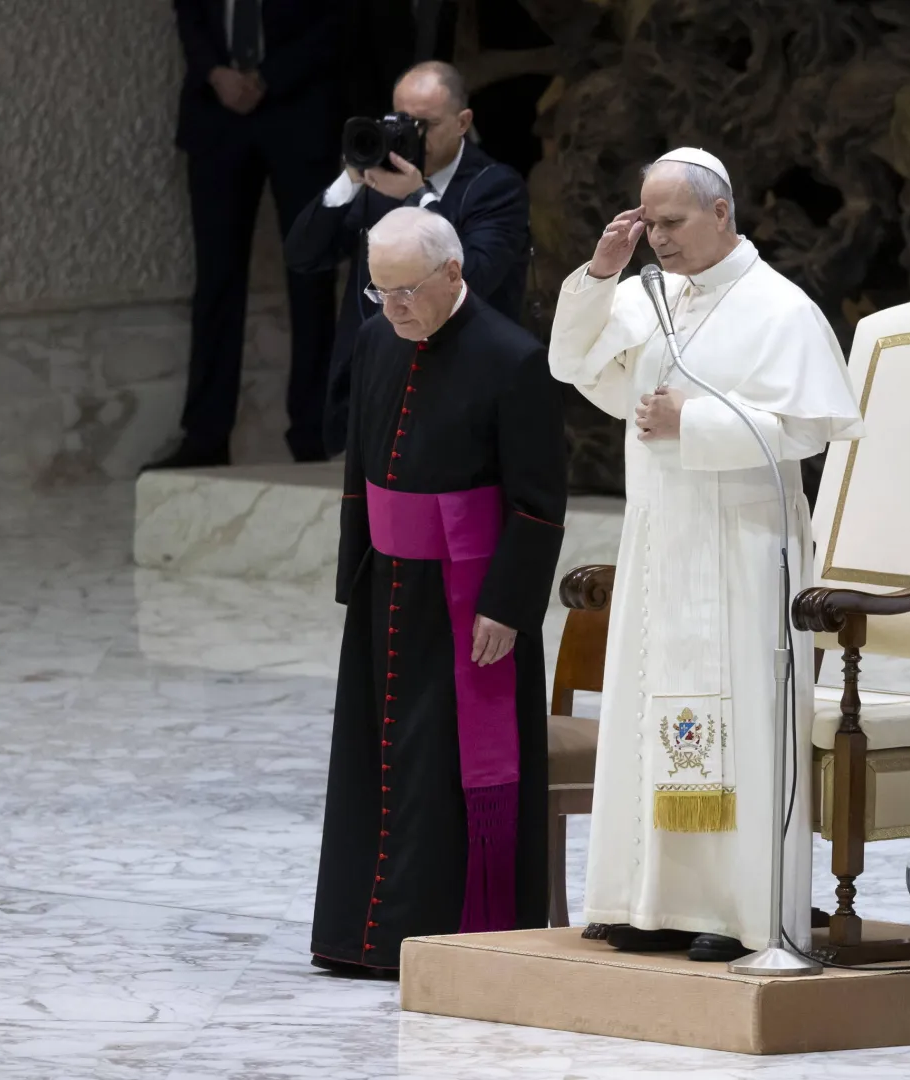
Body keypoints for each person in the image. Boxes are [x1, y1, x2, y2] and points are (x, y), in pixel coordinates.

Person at [549, 148, 864, 963]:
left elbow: (810, 429)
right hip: (661, 540)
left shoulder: (778, 307)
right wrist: (601, 271)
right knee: (645, 711)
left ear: (721, 213)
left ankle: (735, 909)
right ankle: (649, 900)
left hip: (743, 547)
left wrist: (693, 421)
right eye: (648, 223)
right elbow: (571, 363)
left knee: (740, 721)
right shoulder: (650, 295)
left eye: (673, 222)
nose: (658, 238)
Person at [311, 207, 566, 975]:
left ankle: (440, 934)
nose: (392, 308)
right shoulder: (375, 339)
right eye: (378, 291)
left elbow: (537, 502)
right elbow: (359, 466)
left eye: (406, 291)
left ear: (453, 273)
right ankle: (361, 939)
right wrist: (355, 575)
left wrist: (507, 606)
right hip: (386, 587)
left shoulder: (513, 358)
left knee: (442, 772)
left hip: (469, 602)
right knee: (374, 762)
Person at [285, 61, 530, 457]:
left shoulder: (496, 186)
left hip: (459, 388)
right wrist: (350, 177)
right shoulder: (378, 180)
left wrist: (418, 197)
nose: (412, 135)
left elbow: (474, 278)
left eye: (425, 125)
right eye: (400, 121)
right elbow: (303, 255)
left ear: (463, 122)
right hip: (374, 385)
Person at [153, 0, 343, 470]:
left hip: (298, 112)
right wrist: (215, 72)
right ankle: (206, 436)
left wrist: (267, 77)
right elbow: (189, 13)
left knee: (311, 279)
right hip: (216, 118)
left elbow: (337, 20)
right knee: (217, 280)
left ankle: (314, 435)